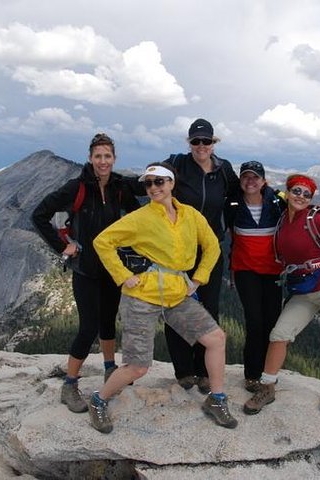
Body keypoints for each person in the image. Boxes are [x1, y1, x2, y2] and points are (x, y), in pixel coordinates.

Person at [88, 162, 238, 433]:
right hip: (141, 296)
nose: (153, 188)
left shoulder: (190, 215)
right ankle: (98, 400)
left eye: (159, 181)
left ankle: (217, 399)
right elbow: (102, 241)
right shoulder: (141, 217)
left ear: (171, 183)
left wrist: (198, 279)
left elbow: (213, 246)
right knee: (137, 367)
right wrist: (123, 276)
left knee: (216, 339)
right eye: (148, 183)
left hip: (176, 293)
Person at [31, 133, 140, 413]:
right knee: (88, 327)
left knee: (107, 322)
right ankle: (69, 385)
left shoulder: (119, 187)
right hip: (86, 270)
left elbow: (140, 208)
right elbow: (39, 215)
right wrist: (62, 246)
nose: (103, 161)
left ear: (114, 159)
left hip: (112, 268)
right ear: (90, 158)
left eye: (107, 156)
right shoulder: (76, 187)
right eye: (98, 156)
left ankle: (109, 369)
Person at [243, 174, 320, 414]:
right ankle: (267, 387)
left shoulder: (315, 219)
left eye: (307, 194)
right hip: (303, 292)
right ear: (287, 193)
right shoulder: (282, 220)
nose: (301, 197)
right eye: (296, 191)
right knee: (279, 335)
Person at [163, 118, 239, 394]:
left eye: (206, 141)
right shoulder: (178, 165)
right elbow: (155, 181)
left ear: (213, 142)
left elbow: (236, 196)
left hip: (211, 248)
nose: (201, 146)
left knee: (208, 308)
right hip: (179, 251)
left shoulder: (224, 169)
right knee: (176, 306)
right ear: (189, 143)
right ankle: (184, 371)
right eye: (196, 141)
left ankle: (204, 371)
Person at [223, 161, 286, 393]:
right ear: (241, 181)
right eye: (246, 177)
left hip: (273, 270)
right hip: (245, 269)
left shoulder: (278, 201)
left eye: (255, 177)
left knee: (272, 322)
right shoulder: (231, 203)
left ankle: (268, 373)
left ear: (263, 180)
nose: (250, 181)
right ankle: (252, 374)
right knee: (254, 322)